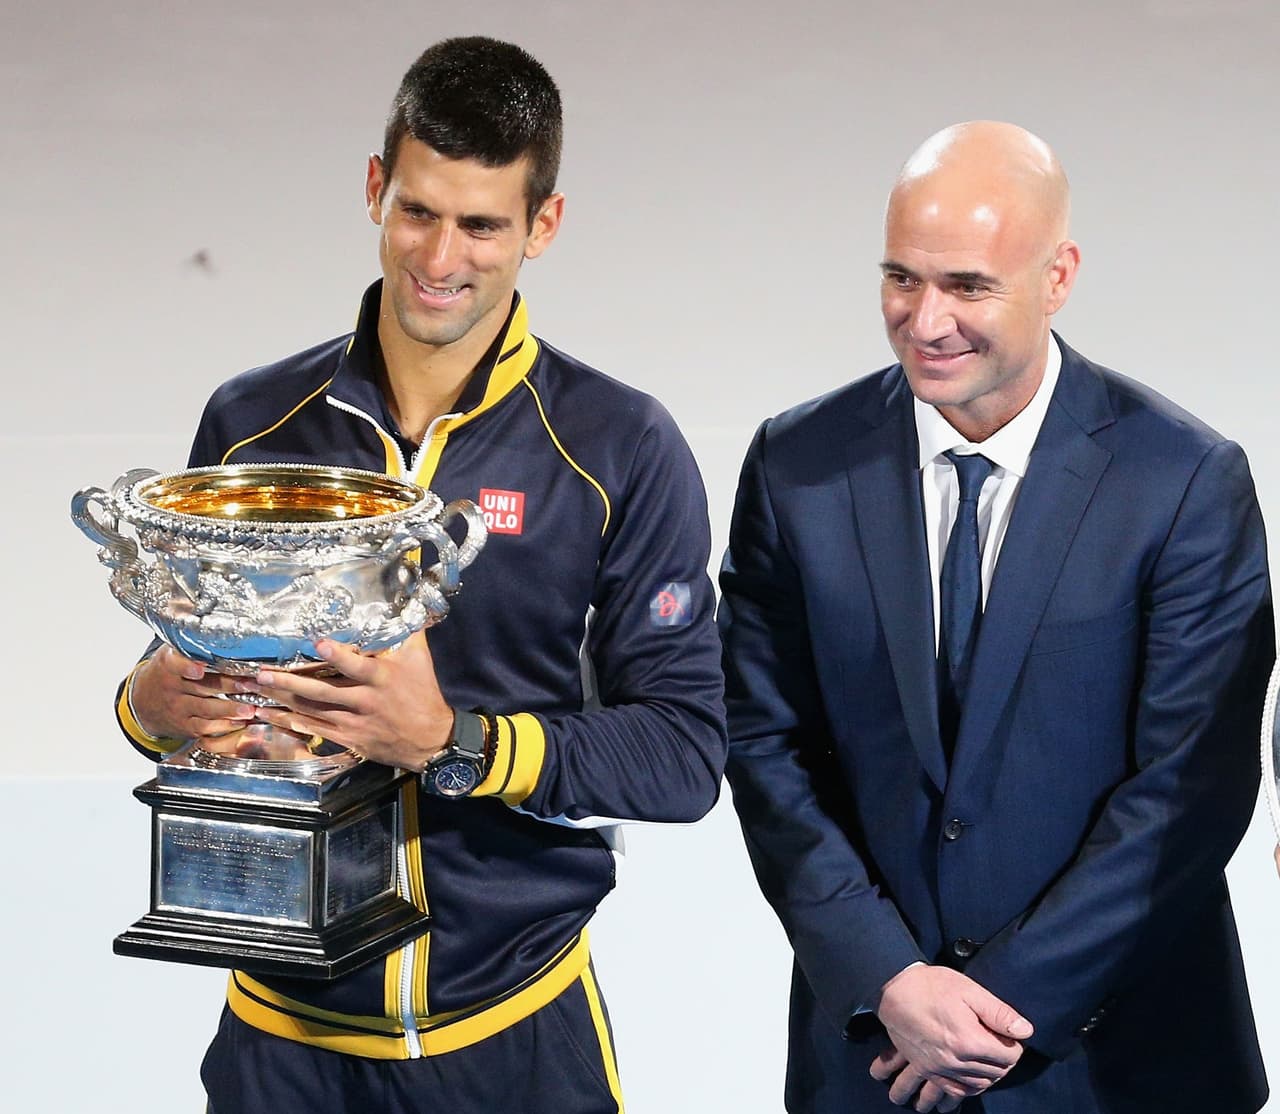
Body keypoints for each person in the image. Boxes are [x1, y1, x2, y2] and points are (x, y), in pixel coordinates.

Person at [114, 36, 726, 1114]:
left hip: (514, 1037)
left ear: (542, 225)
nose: (440, 256)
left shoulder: (617, 443)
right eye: (417, 211)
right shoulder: (255, 430)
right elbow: (191, 671)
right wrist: (146, 702)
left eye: (482, 223)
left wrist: (454, 744)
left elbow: (681, 755)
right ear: (373, 190)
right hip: (278, 1042)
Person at [718, 120, 1272, 1114]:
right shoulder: (794, 467)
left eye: (966, 286)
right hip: (872, 1058)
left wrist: (997, 1005)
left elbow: (1190, 787)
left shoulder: (1185, 481)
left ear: (1056, 276)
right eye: (900, 279)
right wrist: (890, 980)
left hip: (1120, 1068)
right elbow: (762, 746)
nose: (924, 320)